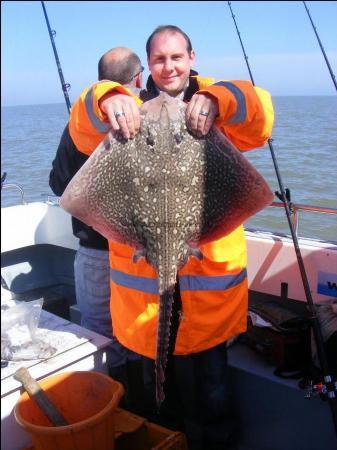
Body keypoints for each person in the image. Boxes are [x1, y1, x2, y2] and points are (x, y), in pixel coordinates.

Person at [68, 26, 275, 450]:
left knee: (210, 407)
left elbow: (261, 117)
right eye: (159, 60)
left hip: (208, 312)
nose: (169, 67)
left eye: (177, 57)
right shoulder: (126, 114)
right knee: (156, 411)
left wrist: (221, 100)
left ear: (191, 57)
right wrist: (108, 97)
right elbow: (81, 130)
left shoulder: (216, 104)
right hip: (141, 312)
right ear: (146, 68)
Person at [49, 47, 144, 412]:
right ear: (138, 80)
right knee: (140, 329)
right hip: (141, 252)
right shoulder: (150, 117)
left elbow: (59, 184)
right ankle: (145, 406)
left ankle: (113, 411)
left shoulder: (79, 124)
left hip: (96, 251)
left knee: (101, 331)